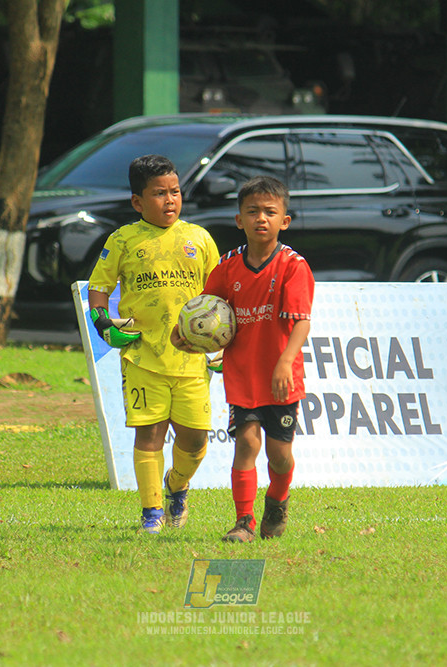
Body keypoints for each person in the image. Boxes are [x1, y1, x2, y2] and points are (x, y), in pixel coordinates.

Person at [172, 175, 314, 542]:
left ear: (285, 220)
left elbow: (301, 323)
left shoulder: (293, 266)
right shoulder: (228, 265)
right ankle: (244, 522)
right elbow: (207, 312)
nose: (261, 219)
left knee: (280, 455)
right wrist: (187, 334)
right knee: (247, 443)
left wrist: (285, 362)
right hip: (241, 374)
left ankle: (277, 500)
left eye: (270, 212)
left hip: (280, 377)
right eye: (252, 212)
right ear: (239, 220)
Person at [88, 154, 220, 535]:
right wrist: (102, 322)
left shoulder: (199, 238)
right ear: (137, 202)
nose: (170, 200)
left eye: (175, 192)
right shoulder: (123, 240)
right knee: (149, 434)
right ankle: (151, 513)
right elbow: (99, 287)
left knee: (195, 438)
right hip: (143, 356)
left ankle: (177, 485)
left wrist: (224, 340)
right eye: (159, 194)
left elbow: (221, 294)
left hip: (192, 359)